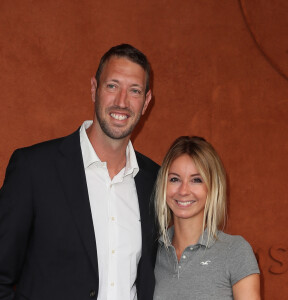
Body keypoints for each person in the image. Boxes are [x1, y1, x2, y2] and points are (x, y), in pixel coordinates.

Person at [0, 44, 159, 300]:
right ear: (94, 89)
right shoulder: (34, 170)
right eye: (112, 86)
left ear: (146, 101)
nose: (122, 102)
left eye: (135, 91)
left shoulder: (155, 180)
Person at [154, 136, 260, 300]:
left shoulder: (236, 251)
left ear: (212, 187)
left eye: (196, 180)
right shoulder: (152, 253)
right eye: (174, 179)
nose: (183, 191)